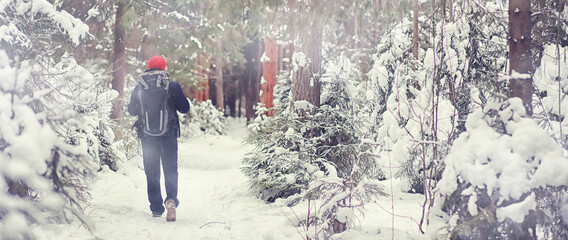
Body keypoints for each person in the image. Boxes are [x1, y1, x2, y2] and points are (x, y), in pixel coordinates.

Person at [128, 56, 189, 222]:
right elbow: (185, 108)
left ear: (148, 67)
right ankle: (170, 201)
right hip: (169, 135)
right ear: (164, 68)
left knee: (152, 171)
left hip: (147, 136)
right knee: (170, 169)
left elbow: (132, 111)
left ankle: (156, 208)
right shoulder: (172, 86)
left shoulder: (140, 87)